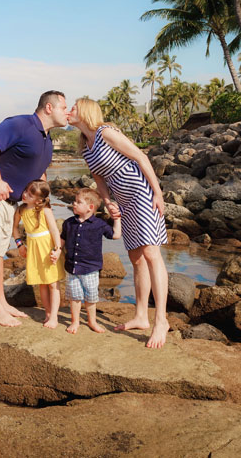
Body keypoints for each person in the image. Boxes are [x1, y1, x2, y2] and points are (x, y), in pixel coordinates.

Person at [68, 97, 170, 349]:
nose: (69, 111)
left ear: (85, 112)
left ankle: (161, 321)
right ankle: (141, 316)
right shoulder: (86, 147)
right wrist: (106, 201)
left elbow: (140, 157)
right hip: (123, 201)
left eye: (73, 107)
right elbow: (99, 179)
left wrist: (157, 192)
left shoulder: (106, 133)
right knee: (136, 258)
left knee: (150, 253)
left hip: (142, 195)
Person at [0, 90, 69, 327]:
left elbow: (39, 174)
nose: (67, 112)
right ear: (49, 108)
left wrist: (42, 203)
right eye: (63, 107)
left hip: (12, 203)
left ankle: (1, 302)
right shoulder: (21, 123)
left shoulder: (47, 140)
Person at [61, 187, 122, 334]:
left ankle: (92, 321)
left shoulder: (99, 224)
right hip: (72, 267)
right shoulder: (69, 223)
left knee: (90, 296)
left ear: (90, 207)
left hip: (90, 268)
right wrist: (56, 251)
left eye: (78, 202)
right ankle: (75, 321)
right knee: (74, 297)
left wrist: (117, 219)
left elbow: (115, 235)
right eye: (75, 201)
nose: (74, 204)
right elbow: (62, 239)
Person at [12, 180, 65, 328]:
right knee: (42, 282)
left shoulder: (45, 210)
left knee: (53, 283)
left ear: (39, 199)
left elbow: (54, 230)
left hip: (47, 248)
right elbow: (15, 229)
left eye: (30, 195)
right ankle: (48, 313)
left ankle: (54, 316)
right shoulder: (21, 210)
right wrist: (19, 245)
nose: (24, 195)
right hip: (33, 248)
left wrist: (57, 249)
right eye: (26, 192)